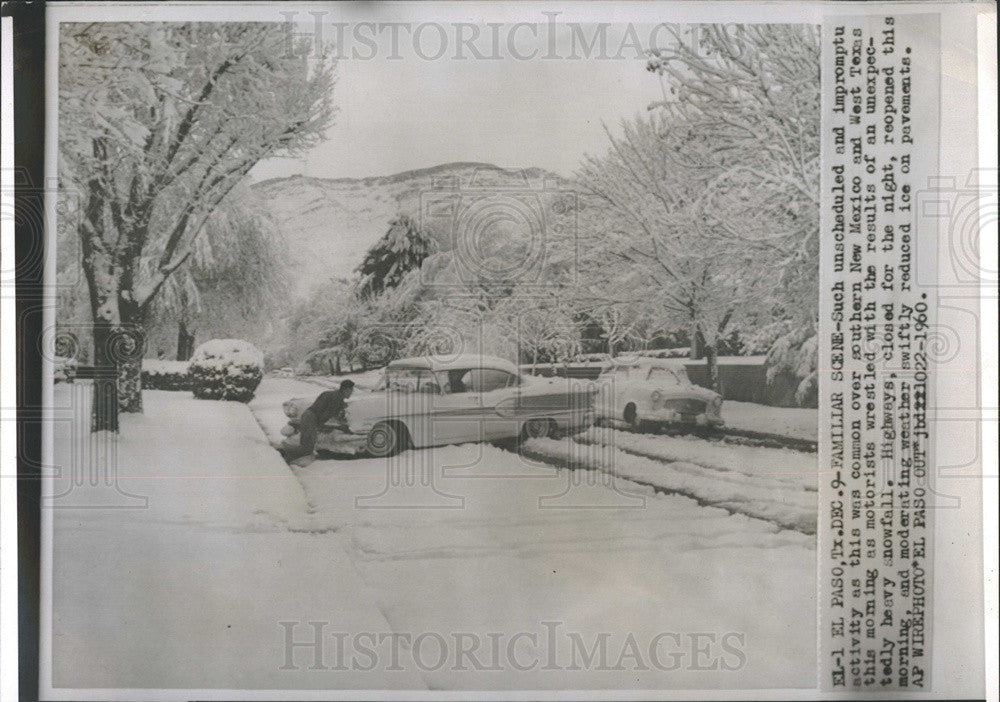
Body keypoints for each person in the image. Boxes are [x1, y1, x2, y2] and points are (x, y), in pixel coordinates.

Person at [293, 379, 355, 464]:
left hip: (308, 415)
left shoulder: (332, 395)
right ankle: (297, 463)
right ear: (346, 389)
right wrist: (341, 427)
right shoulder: (336, 398)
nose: (351, 393)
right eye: (351, 390)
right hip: (311, 417)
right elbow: (327, 414)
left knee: (307, 442)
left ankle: (298, 460)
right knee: (308, 443)